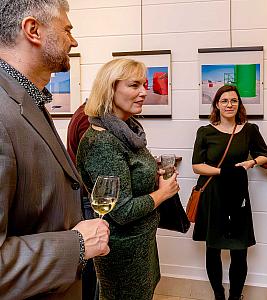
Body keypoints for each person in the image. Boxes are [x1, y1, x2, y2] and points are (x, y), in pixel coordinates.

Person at [0, 1, 110, 299]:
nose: (73, 41)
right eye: (67, 29)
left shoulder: (26, 98)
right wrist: (78, 244)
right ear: (33, 30)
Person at [76, 58, 180, 300]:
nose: (144, 92)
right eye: (134, 85)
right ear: (110, 88)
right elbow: (122, 210)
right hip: (123, 249)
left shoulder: (127, 132)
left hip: (141, 242)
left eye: (144, 85)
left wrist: (151, 175)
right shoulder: (102, 142)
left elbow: (128, 179)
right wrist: (164, 192)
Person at [192, 85, 267, 300]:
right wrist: (223, 171)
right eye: (224, 101)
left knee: (239, 250)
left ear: (239, 104)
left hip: (238, 196)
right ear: (217, 104)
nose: (229, 105)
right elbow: (197, 166)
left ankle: (235, 297)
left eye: (234, 101)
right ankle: (219, 295)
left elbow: (265, 155)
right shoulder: (205, 132)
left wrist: (251, 162)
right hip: (213, 195)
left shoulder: (249, 130)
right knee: (213, 249)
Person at [67, 101, 98, 300]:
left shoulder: (82, 112)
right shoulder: (89, 119)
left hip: (86, 198)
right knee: (92, 265)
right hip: (90, 199)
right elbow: (96, 172)